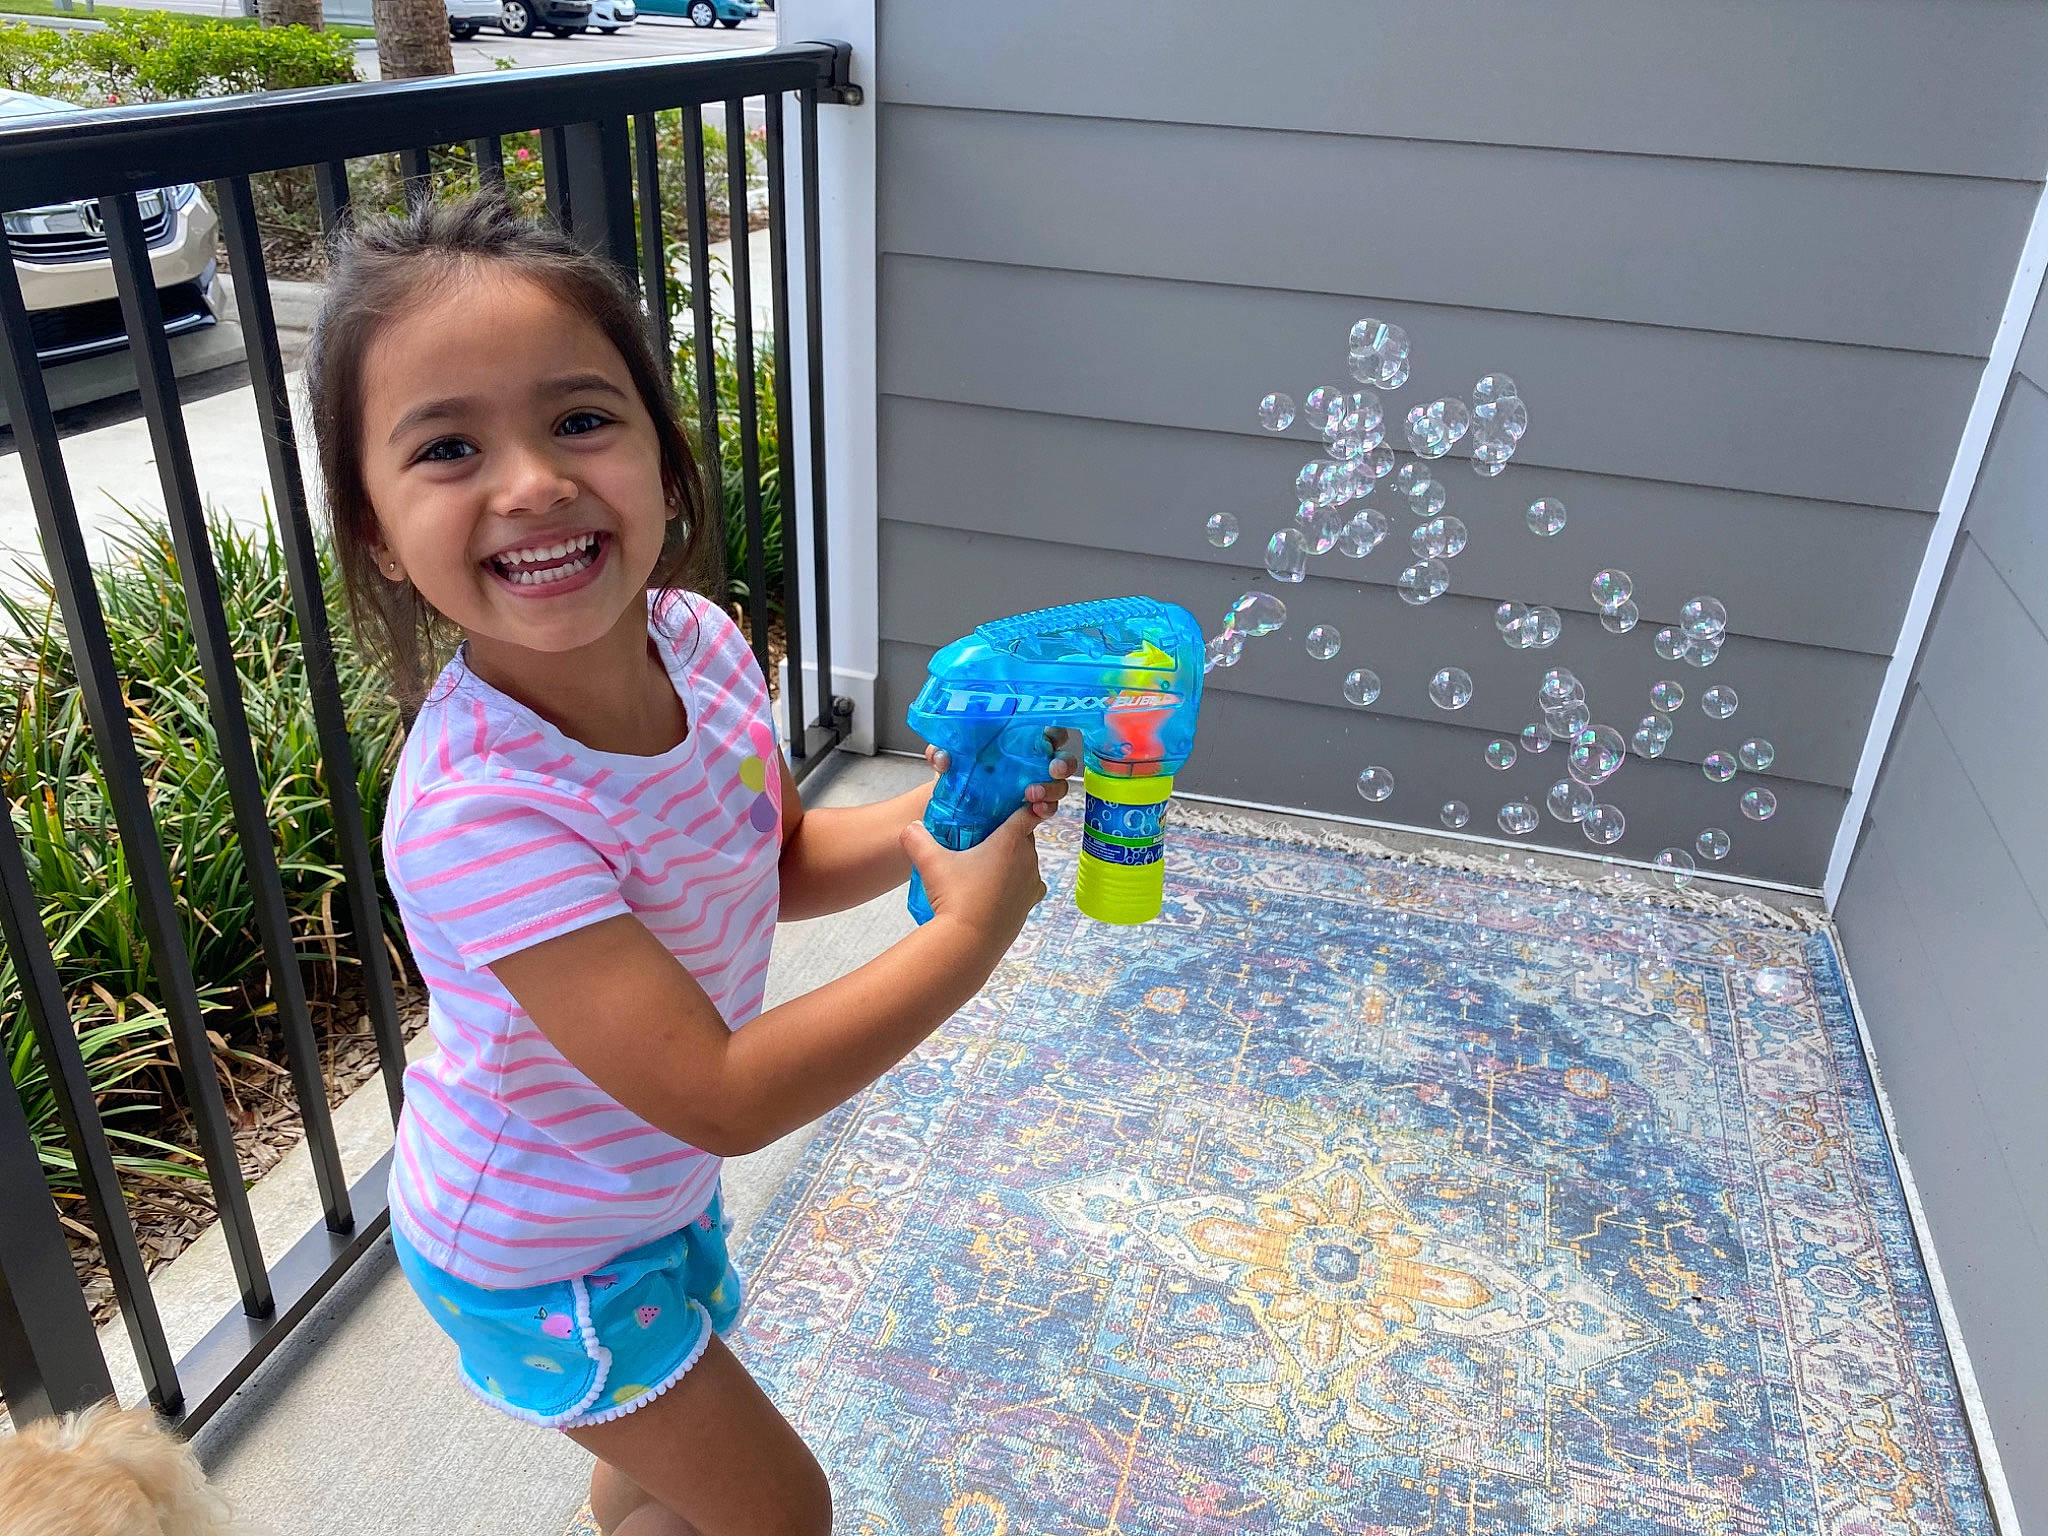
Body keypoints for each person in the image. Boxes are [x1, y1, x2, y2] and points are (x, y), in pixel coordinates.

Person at [307, 195, 1072, 1536]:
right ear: (374, 530)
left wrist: (936, 825)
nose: (534, 480)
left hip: (633, 1188)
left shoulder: (705, 647)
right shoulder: (481, 812)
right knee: (779, 1510)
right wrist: (963, 939)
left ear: (665, 466)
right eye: (447, 446)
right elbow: (717, 1094)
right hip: (536, 1246)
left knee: (668, 1473)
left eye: (582, 420)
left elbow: (762, 861)